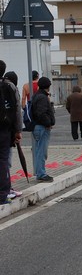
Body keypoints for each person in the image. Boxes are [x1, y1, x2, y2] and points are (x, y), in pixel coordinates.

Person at [0, 61, 22, 205]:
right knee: (3, 161)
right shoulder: (9, 86)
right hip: (4, 130)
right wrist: (18, 130)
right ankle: (3, 194)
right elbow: (17, 109)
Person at [31, 76, 55, 182]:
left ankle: (39, 172)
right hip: (42, 127)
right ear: (48, 86)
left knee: (39, 151)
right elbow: (41, 113)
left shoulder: (38, 95)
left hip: (38, 127)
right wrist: (48, 123)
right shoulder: (42, 97)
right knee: (41, 151)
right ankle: (41, 174)